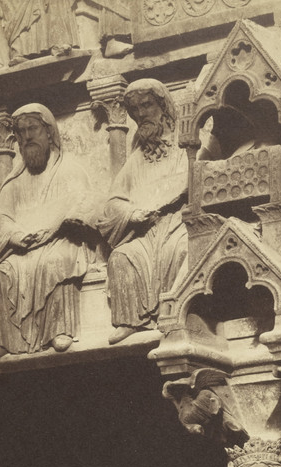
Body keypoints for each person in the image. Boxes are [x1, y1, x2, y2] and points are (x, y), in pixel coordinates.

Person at [0, 103, 93, 360]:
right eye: (21, 132)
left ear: (48, 133)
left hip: (59, 242)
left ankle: (59, 329)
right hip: (23, 248)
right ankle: (7, 338)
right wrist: (15, 235)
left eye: (32, 129)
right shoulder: (14, 182)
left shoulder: (69, 172)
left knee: (54, 261)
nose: (27, 137)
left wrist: (62, 223)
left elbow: (83, 205)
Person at [99, 79, 188, 344]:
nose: (141, 114)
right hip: (145, 231)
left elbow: (202, 176)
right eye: (135, 109)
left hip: (178, 222)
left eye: (147, 105)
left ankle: (177, 317)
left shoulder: (185, 143)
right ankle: (130, 321)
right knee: (121, 257)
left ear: (163, 106)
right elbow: (114, 201)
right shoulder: (139, 156)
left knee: (181, 249)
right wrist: (131, 214)